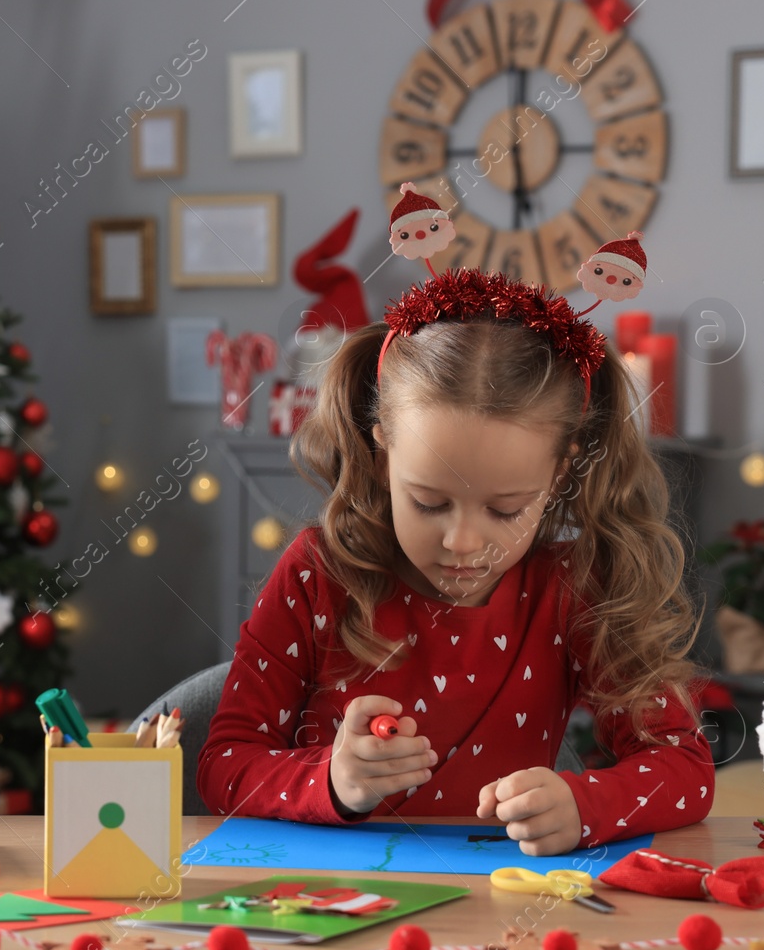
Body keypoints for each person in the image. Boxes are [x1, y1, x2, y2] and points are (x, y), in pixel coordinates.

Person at [198, 256, 713, 856]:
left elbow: (684, 768)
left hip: (497, 918)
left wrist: (583, 805)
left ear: (562, 469)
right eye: (428, 502)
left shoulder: (577, 585)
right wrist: (331, 782)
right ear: (381, 445)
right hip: (331, 903)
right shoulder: (317, 574)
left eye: (505, 509)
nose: (463, 543)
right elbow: (222, 767)